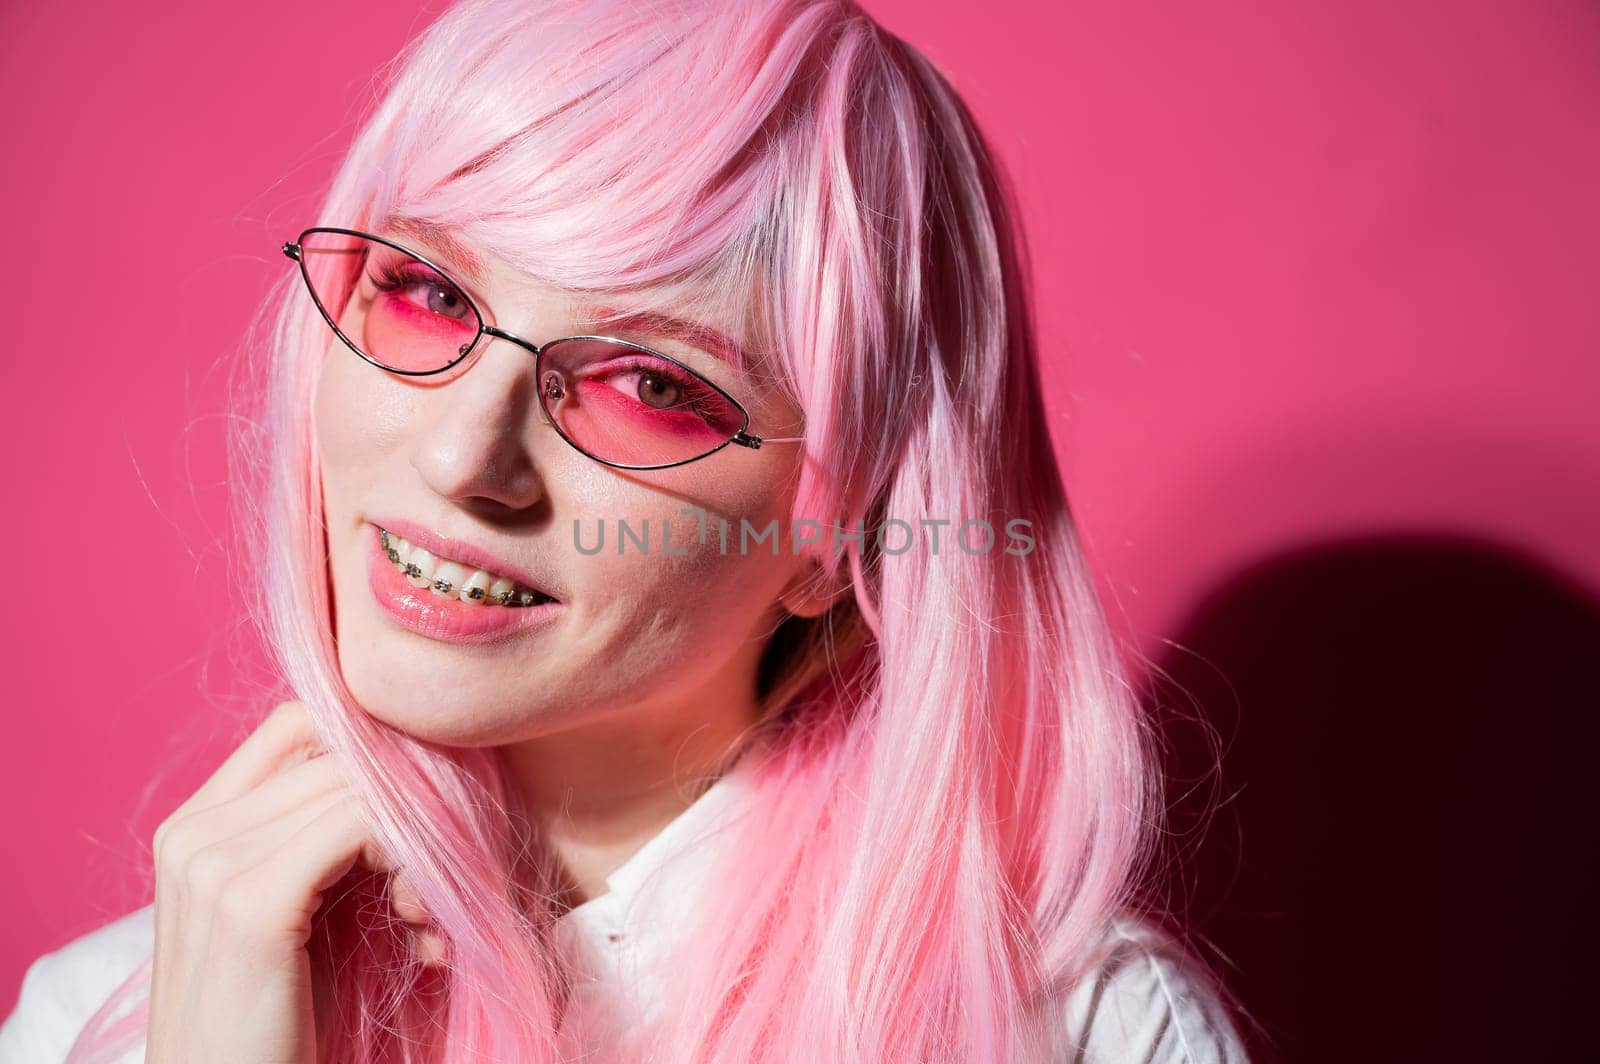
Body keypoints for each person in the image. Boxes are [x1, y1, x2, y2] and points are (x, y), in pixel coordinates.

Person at [0, 0, 1254, 1060]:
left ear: (838, 536)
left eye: (656, 386)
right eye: (430, 292)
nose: (462, 458)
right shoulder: (101, 1021)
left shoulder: (1075, 1030)